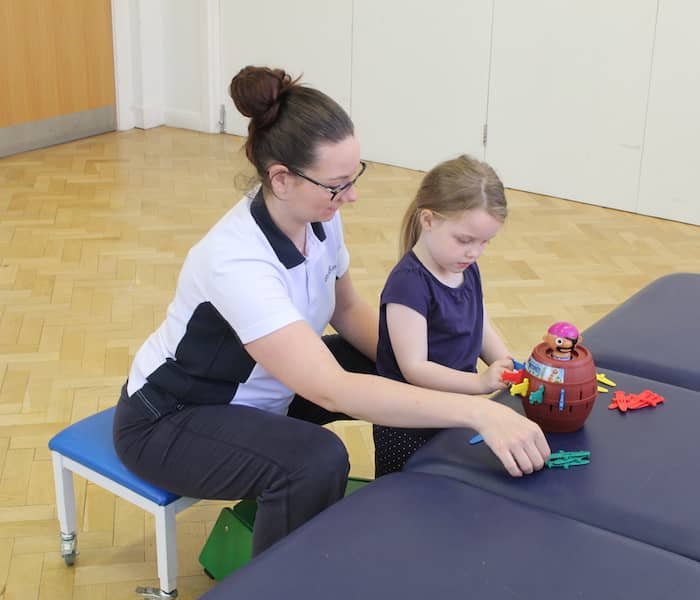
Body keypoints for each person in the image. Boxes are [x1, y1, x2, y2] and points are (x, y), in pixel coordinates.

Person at [113, 66, 550, 557]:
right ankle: (276, 584)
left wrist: (414, 364)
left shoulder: (319, 217)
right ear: (281, 179)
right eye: (337, 184)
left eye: (355, 175)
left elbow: (346, 308)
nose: (352, 195)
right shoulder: (235, 260)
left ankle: (428, 499)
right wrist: (477, 412)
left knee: (403, 364)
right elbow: (332, 389)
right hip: (175, 419)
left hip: (270, 388)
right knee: (315, 461)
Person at [373, 155, 522, 476]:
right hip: (408, 421)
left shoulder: (465, 267)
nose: (474, 252)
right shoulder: (407, 285)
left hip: (453, 408)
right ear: (428, 220)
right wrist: (479, 381)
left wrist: (508, 363)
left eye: (485, 242)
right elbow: (415, 368)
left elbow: (477, 320)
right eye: (465, 240)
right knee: (406, 496)